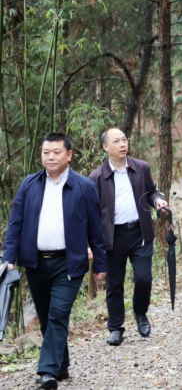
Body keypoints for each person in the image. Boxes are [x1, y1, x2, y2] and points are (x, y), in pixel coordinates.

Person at [3, 133, 107, 389]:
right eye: (46, 152)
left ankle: (47, 371)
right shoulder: (29, 184)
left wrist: (100, 264)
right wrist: (8, 259)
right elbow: (15, 224)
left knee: (58, 314)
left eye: (56, 152)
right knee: (46, 317)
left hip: (69, 263)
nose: (50, 157)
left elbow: (96, 228)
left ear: (69, 155)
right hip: (35, 263)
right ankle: (61, 365)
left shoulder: (84, 186)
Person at [89, 128, 168, 346]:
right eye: (116, 141)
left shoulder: (141, 167)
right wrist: (90, 244)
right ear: (105, 147)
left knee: (143, 278)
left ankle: (140, 312)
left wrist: (157, 200)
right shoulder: (96, 177)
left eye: (124, 139)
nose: (122, 144)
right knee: (114, 284)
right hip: (112, 237)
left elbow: (151, 192)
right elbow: (90, 213)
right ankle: (116, 328)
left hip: (140, 232)